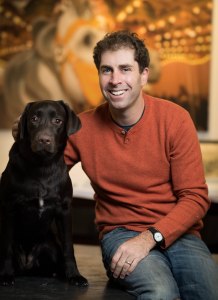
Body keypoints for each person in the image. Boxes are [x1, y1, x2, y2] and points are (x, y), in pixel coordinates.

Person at [13, 31, 218, 299]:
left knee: (207, 293)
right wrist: (28, 136)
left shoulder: (176, 119)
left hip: (182, 235)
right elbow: (34, 173)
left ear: (144, 74)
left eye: (125, 69)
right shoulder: (81, 128)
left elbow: (194, 197)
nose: (115, 80)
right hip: (120, 234)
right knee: (160, 293)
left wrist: (150, 238)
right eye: (106, 70)